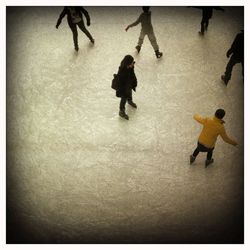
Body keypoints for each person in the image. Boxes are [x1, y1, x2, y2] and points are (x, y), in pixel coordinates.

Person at [115, 55, 137, 120]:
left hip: (128, 84)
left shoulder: (130, 67)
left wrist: (134, 82)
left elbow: (132, 74)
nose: (133, 64)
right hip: (123, 88)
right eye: (131, 63)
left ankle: (129, 100)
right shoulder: (122, 71)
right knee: (123, 98)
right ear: (127, 63)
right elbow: (120, 81)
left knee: (130, 93)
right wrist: (123, 89)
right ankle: (121, 111)